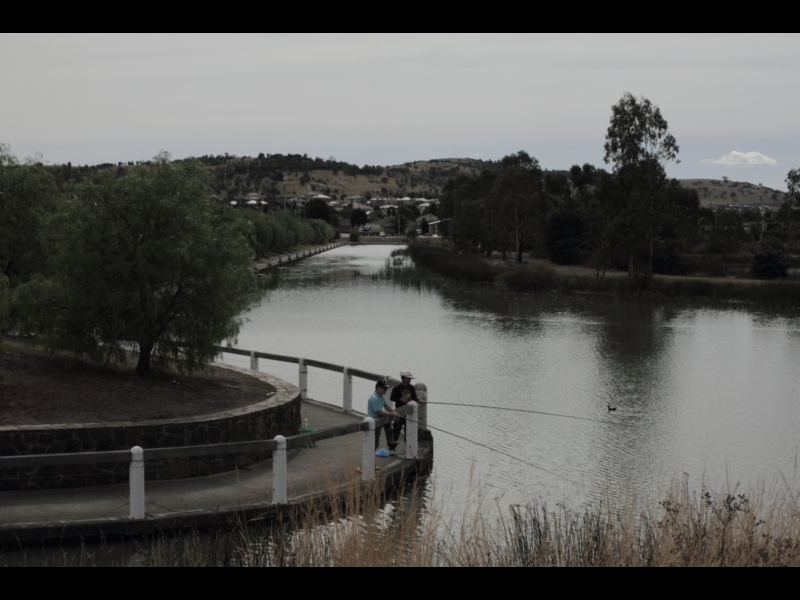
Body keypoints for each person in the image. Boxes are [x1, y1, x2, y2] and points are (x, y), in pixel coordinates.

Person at [391, 371, 425, 445]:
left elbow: (415, 398)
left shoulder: (411, 387)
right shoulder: (397, 388)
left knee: (408, 431)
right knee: (396, 430)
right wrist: (400, 399)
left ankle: (408, 447)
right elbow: (392, 398)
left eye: (410, 379)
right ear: (403, 378)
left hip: (408, 413)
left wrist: (420, 401)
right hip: (399, 412)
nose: (410, 380)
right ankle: (392, 448)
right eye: (408, 378)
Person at [367, 379, 400, 452]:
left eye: (386, 388)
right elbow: (379, 412)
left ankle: (390, 440)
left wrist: (394, 412)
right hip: (374, 421)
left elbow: (386, 406)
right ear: (378, 388)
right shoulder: (374, 398)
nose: (386, 390)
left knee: (387, 421)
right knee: (375, 442)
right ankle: (370, 455)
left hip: (379, 419)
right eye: (384, 388)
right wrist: (392, 414)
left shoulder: (381, 397)